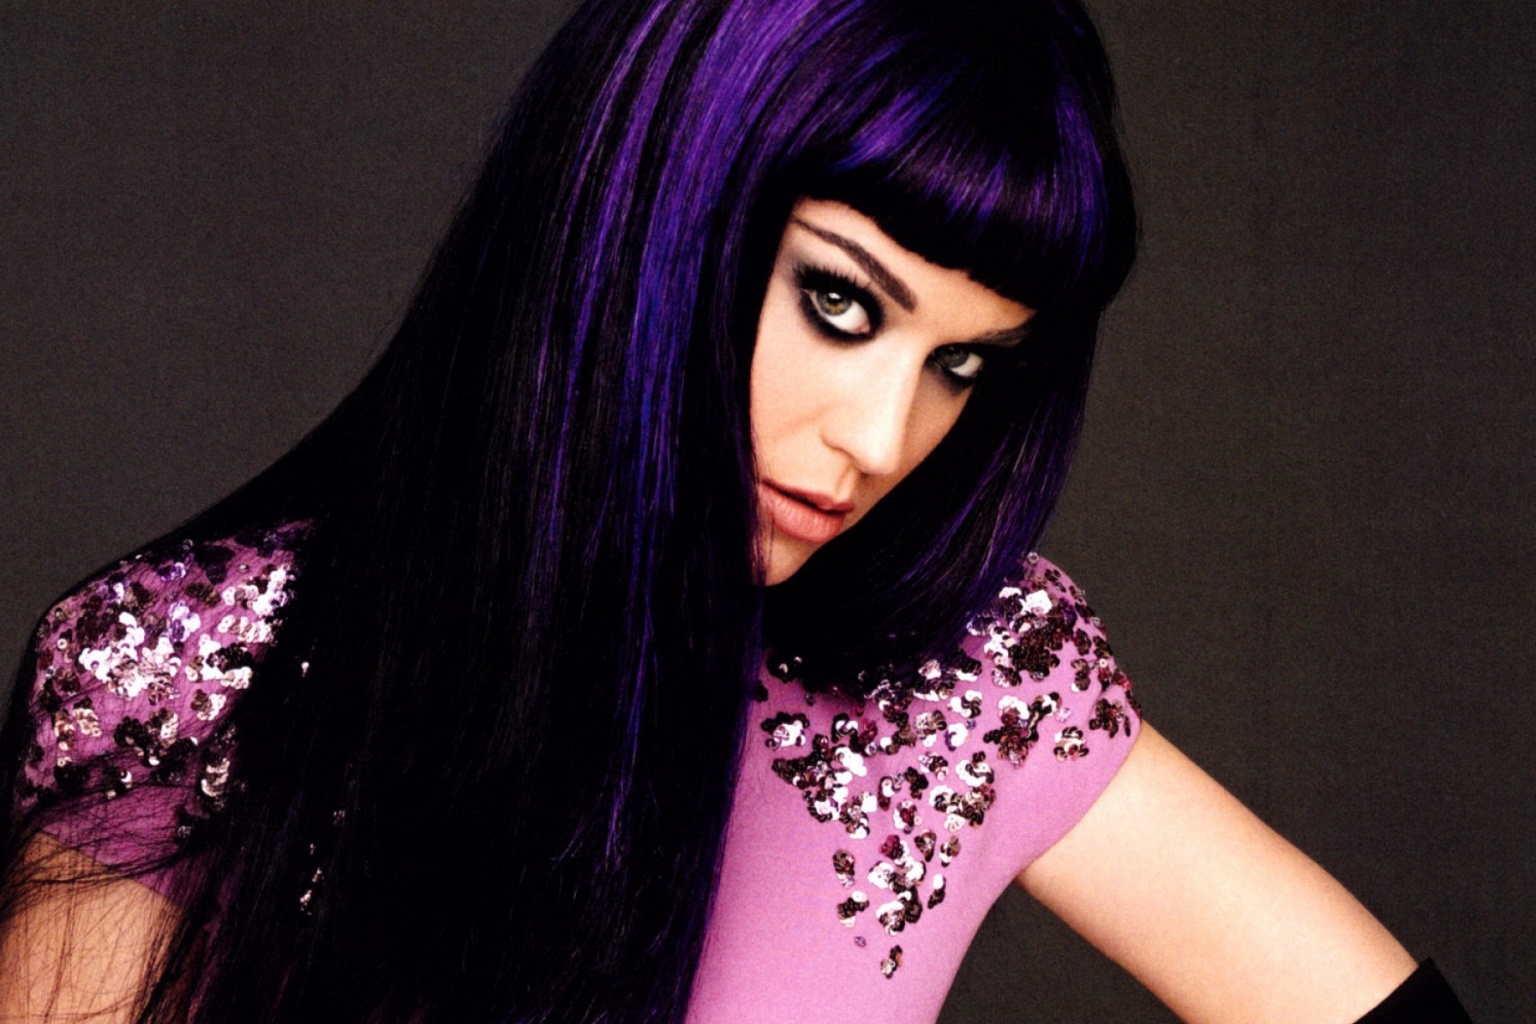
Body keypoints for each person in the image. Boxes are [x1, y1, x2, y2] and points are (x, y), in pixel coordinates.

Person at [0, 0, 1472, 1021]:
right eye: (839, 302)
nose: (882, 441)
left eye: (962, 365)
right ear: (653, 210)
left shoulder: (967, 684)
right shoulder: (187, 670)